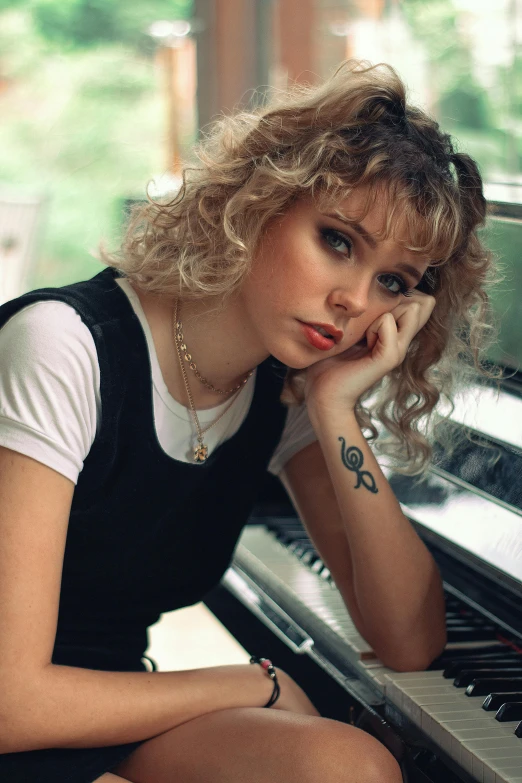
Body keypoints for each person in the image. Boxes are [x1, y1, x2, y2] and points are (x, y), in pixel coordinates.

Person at [0, 60, 497, 783]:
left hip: (100, 710)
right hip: (17, 706)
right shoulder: (65, 346)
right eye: (338, 241)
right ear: (260, 201)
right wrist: (248, 681)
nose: (354, 299)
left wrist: (334, 405)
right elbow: (10, 701)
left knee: (352, 770)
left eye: (392, 281)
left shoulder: (281, 384)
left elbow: (409, 638)